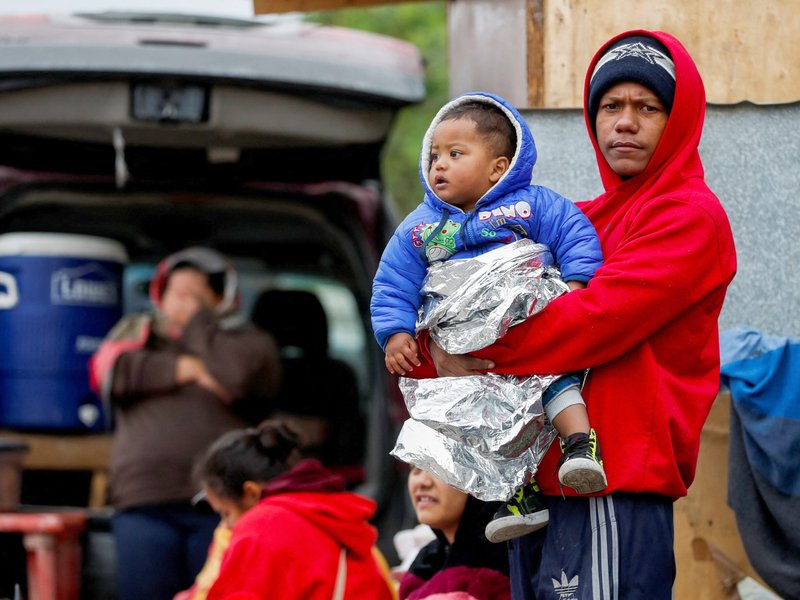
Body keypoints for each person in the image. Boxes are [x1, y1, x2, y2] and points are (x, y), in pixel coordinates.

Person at [420, 31, 737, 599]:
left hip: (611, 482)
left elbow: (591, 321)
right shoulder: (580, 218)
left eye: (648, 107)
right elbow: (473, 293)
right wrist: (425, 348)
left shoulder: (690, 218)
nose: (625, 122)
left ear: (680, 118)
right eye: (611, 106)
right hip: (536, 493)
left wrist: (459, 354)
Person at [371, 92, 606, 542]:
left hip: (530, 331)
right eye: (435, 154)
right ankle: (520, 495)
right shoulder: (421, 227)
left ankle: (581, 446)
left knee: (552, 384)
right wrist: (396, 333)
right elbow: (392, 281)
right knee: (488, 422)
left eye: (455, 154)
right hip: (469, 352)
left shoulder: (531, 205)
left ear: (498, 167)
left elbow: (574, 233)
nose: (439, 165)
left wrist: (577, 285)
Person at [89, 246, 281, 600]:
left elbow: (237, 377)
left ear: (221, 296)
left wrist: (197, 321)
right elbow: (113, 374)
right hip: (145, 500)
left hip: (224, 504)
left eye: (195, 291)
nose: (184, 299)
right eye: (175, 291)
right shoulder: (136, 336)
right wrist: (187, 370)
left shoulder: (248, 342)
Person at [192, 420, 397, 600]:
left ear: (251, 492)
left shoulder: (261, 526)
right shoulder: (329, 511)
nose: (226, 525)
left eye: (226, 513)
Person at [399, 467, 511, 599]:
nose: (423, 482)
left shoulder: (502, 564)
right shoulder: (427, 560)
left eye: (439, 467)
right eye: (416, 467)